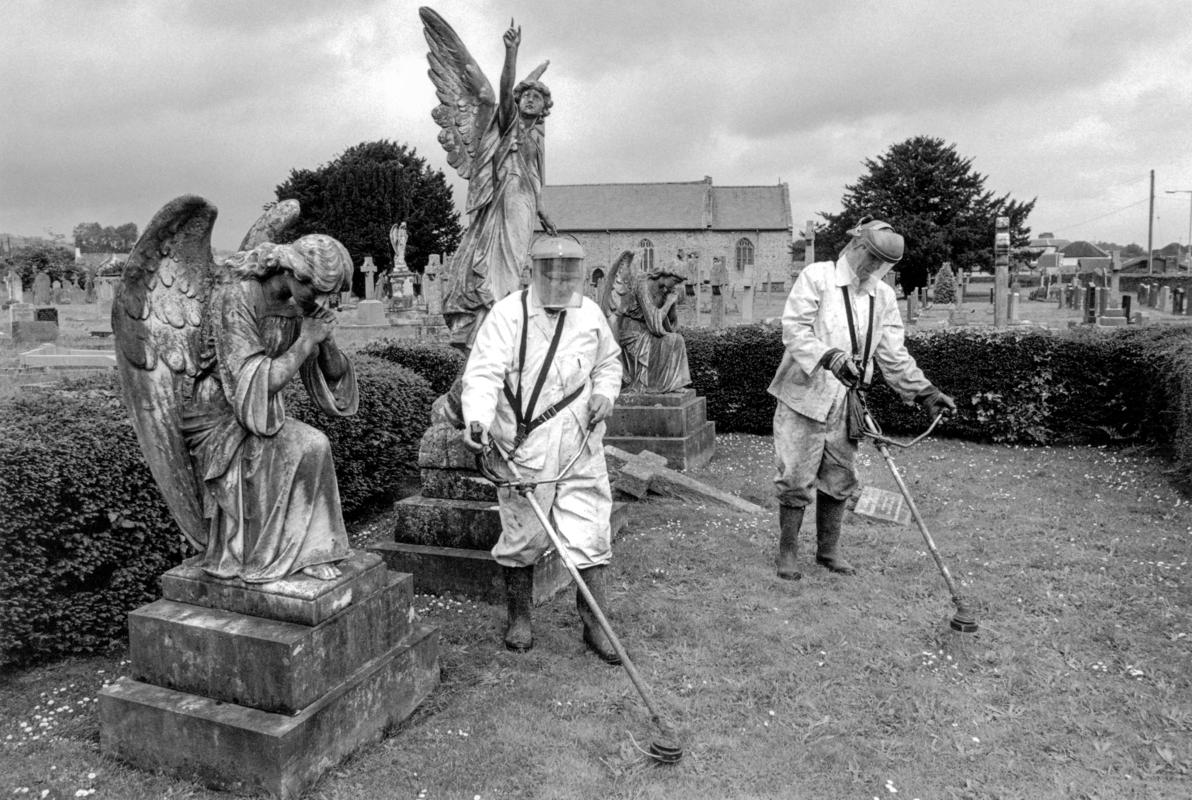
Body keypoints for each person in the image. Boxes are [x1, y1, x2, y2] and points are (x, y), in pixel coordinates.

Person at [460, 237, 623, 662]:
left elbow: (608, 363)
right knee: (524, 534)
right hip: (525, 446)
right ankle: (519, 617)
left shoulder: (589, 315)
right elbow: (482, 374)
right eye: (552, 272)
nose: (561, 281)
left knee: (590, 530)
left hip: (581, 441)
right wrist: (477, 419)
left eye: (569, 274)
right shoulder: (507, 315)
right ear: (535, 272)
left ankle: (595, 625)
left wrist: (605, 394)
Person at [766, 218, 956, 580]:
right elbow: (794, 330)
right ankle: (788, 551)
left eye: (883, 265)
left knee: (840, 474)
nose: (873, 269)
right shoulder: (817, 277)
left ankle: (828, 550)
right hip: (804, 395)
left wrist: (923, 391)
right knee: (794, 475)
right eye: (870, 258)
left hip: (847, 400)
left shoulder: (882, 296)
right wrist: (830, 356)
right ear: (855, 246)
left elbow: (892, 353)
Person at [181, 234, 358, 583]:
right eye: (318, 292)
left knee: (310, 445)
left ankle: (307, 553)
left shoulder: (299, 305)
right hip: (223, 414)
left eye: (330, 294)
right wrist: (307, 339)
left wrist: (325, 339)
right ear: (293, 273)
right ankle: (267, 555)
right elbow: (254, 380)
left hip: (259, 412)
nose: (323, 301)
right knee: (311, 444)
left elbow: (335, 376)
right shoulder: (238, 297)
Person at [615, 263, 691, 393]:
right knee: (673, 340)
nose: (676, 286)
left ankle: (671, 385)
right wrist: (668, 302)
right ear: (666, 275)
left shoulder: (664, 290)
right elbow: (654, 324)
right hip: (633, 333)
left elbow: (670, 324)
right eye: (676, 281)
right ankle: (652, 385)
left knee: (677, 339)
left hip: (647, 332)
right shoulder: (642, 285)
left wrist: (671, 304)